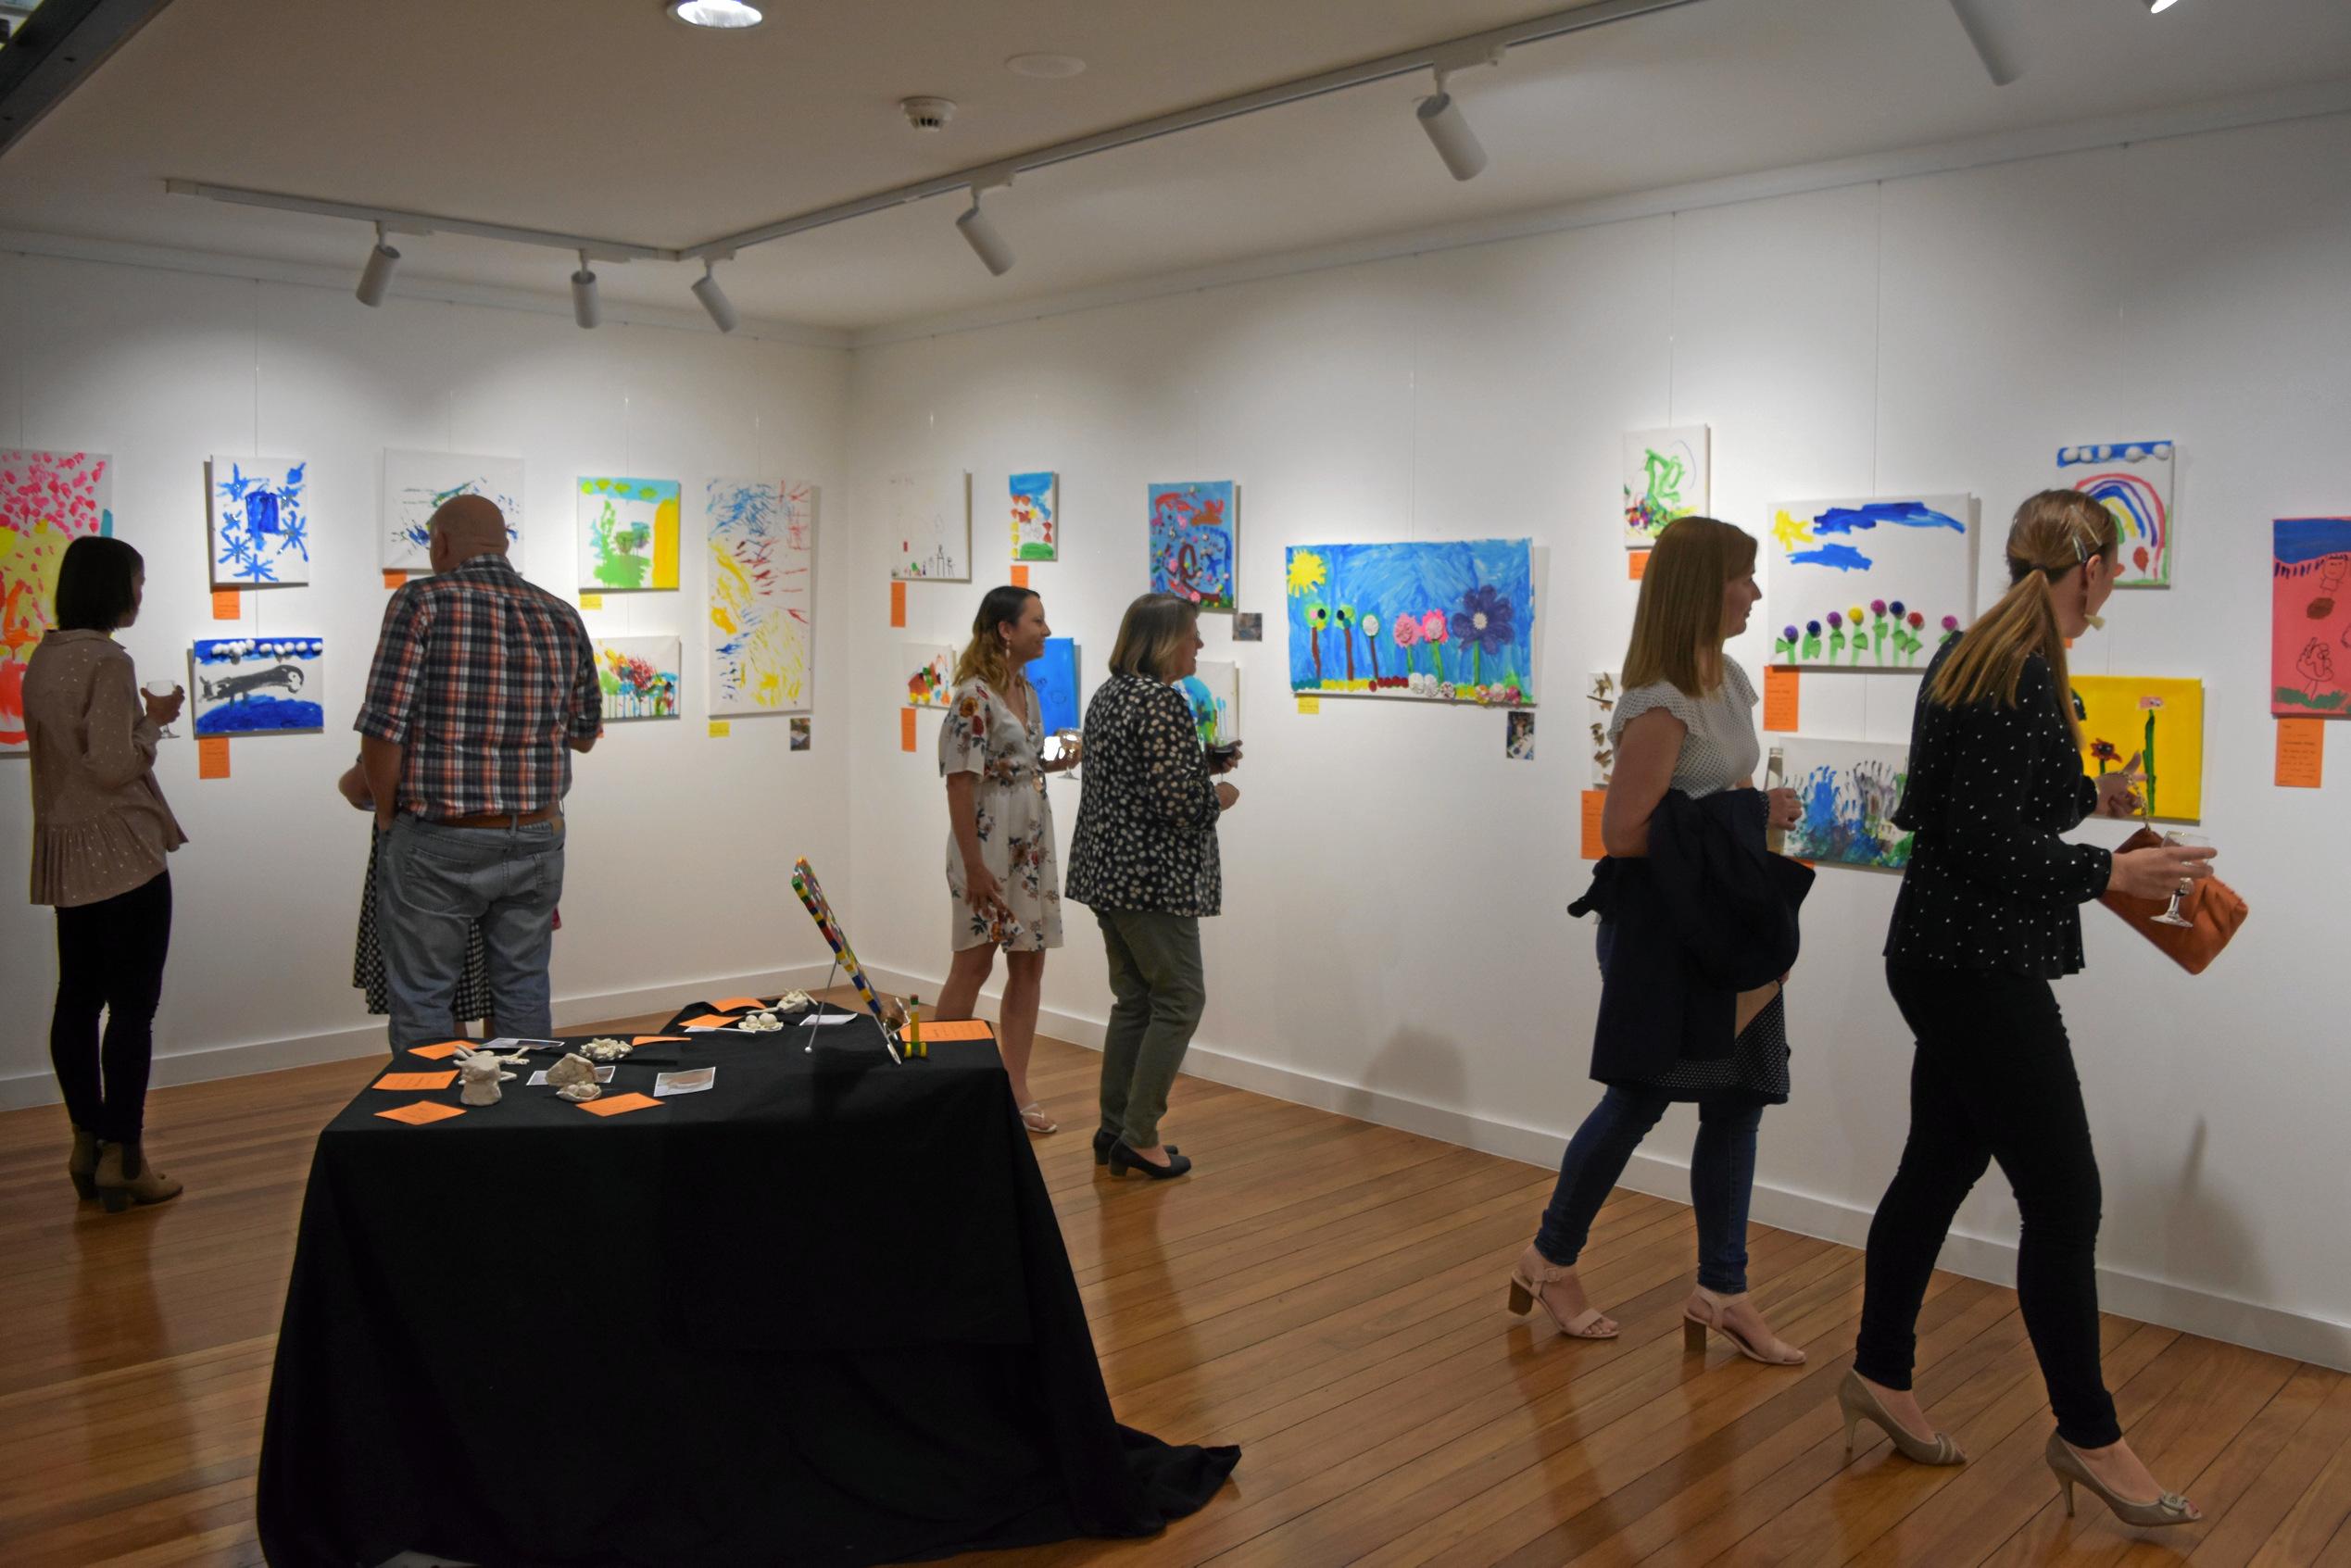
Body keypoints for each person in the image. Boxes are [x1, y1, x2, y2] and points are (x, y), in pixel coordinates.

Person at [1843, 490, 2214, 1528]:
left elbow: (1961, 812)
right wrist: (2110, 874)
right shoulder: (2014, 668)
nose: (2110, 598)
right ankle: (2089, 1435)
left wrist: (2090, 800)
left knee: (1937, 1168)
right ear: (2087, 568)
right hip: (1975, 966)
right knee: (2066, 1197)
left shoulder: (1978, 654)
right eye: (2112, 579)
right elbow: (1982, 843)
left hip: (1944, 955)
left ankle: (1880, 1375)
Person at [1511, 515, 1811, 1361]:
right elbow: (1624, 829)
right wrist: (1749, 812)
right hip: (1664, 934)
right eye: (1742, 577)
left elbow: (1724, 792)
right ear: (1699, 587)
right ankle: (1549, 1257)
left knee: (1739, 1100)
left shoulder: (1733, 679)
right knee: (1638, 1100)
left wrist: (1758, 809)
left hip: (1731, 925)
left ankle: (1725, 1288)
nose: (1755, 591)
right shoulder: (1661, 700)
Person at [354, 495, 600, 1051]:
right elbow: (584, 734)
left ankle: (433, 1128)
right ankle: (521, 1126)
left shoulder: (421, 601)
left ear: (439, 543)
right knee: (523, 990)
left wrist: (390, 816)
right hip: (538, 834)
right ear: (504, 542)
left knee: (423, 996)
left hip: (441, 836)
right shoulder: (561, 613)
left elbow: (382, 727)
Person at [23, 535, 187, 1210]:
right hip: (122, 853)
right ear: (112, 587)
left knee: (77, 997)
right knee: (133, 1008)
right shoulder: (109, 660)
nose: (141, 594)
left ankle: (86, 1141)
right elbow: (116, 766)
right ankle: (128, 1157)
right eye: (137, 581)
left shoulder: (44, 656)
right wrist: (153, 721)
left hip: (67, 849)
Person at [1064, 593, 1239, 1181]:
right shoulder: (1162, 703)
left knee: (1135, 1001)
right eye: (1193, 632)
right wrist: (1216, 794)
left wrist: (1204, 765)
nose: (1200, 643)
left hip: (1107, 874)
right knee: (1180, 998)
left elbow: (1134, 780)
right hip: (1150, 882)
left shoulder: (1111, 694)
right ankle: (1140, 1135)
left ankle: (1115, 1126)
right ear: (1166, 640)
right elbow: (1178, 805)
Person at [934, 585, 1076, 1134]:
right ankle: (941, 1084)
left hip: (1030, 846)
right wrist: (973, 866)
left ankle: (1016, 1089)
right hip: (988, 847)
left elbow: (1025, 760)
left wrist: (1067, 753)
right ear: (1006, 630)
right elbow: (960, 784)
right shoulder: (974, 698)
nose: (1045, 629)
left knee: (1029, 964)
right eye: (1037, 621)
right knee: (973, 961)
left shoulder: (1023, 689)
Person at [336, 757, 494, 1037]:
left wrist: (385, 811)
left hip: (426, 854)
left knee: (429, 988)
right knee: (510, 984)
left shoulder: (414, 719)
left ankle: (445, 1078)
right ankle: (510, 1073)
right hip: (517, 846)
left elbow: (357, 787)